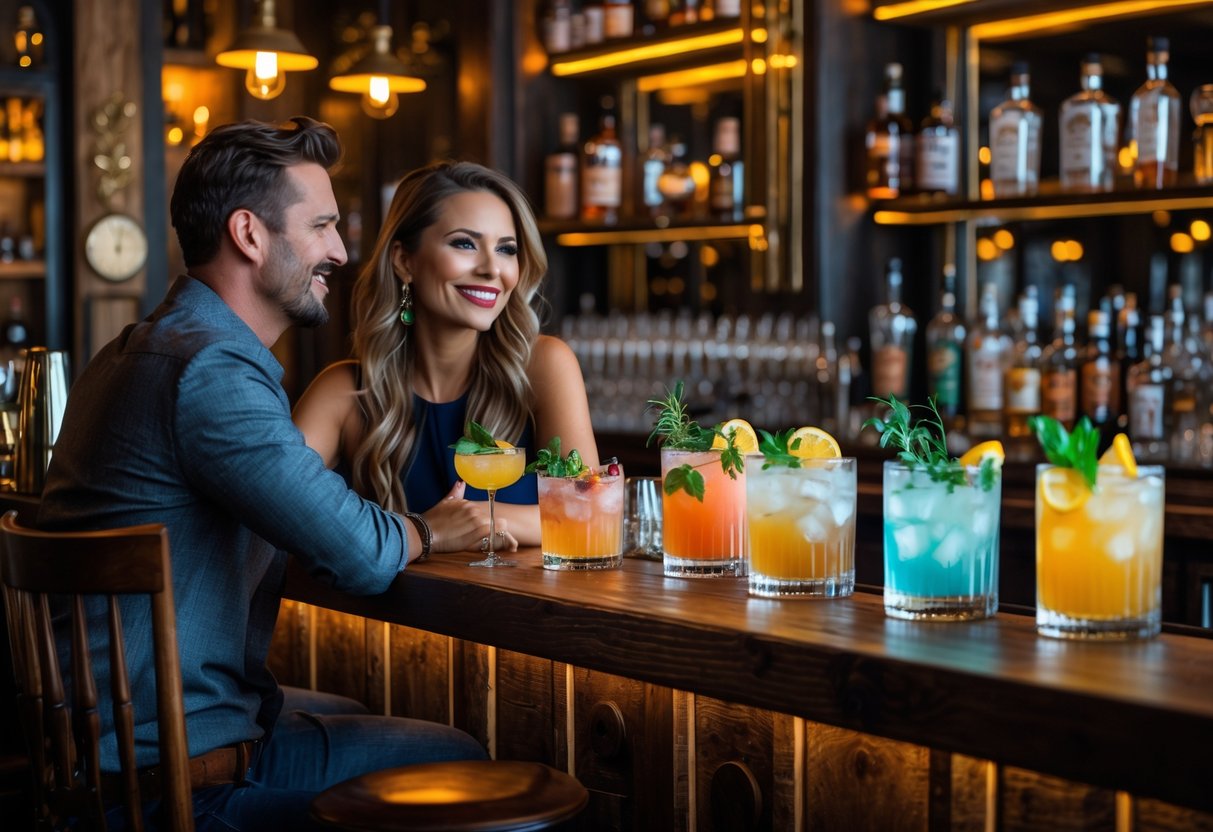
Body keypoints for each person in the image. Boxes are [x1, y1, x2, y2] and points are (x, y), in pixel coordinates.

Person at [37, 117, 488, 831]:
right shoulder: (210, 370)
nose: (340, 252)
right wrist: (428, 529)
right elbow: (360, 553)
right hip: (173, 791)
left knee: (410, 736)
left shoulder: (138, 348)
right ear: (249, 235)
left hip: (121, 758)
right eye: (321, 227)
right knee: (462, 766)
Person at [292, 161, 597, 547]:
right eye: (465, 243)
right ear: (405, 261)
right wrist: (429, 530)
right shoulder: (343, 393)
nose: (492, 269)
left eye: (506, 249)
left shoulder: (544, 365)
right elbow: (278, 512)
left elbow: (591, 513)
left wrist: (475, 520)